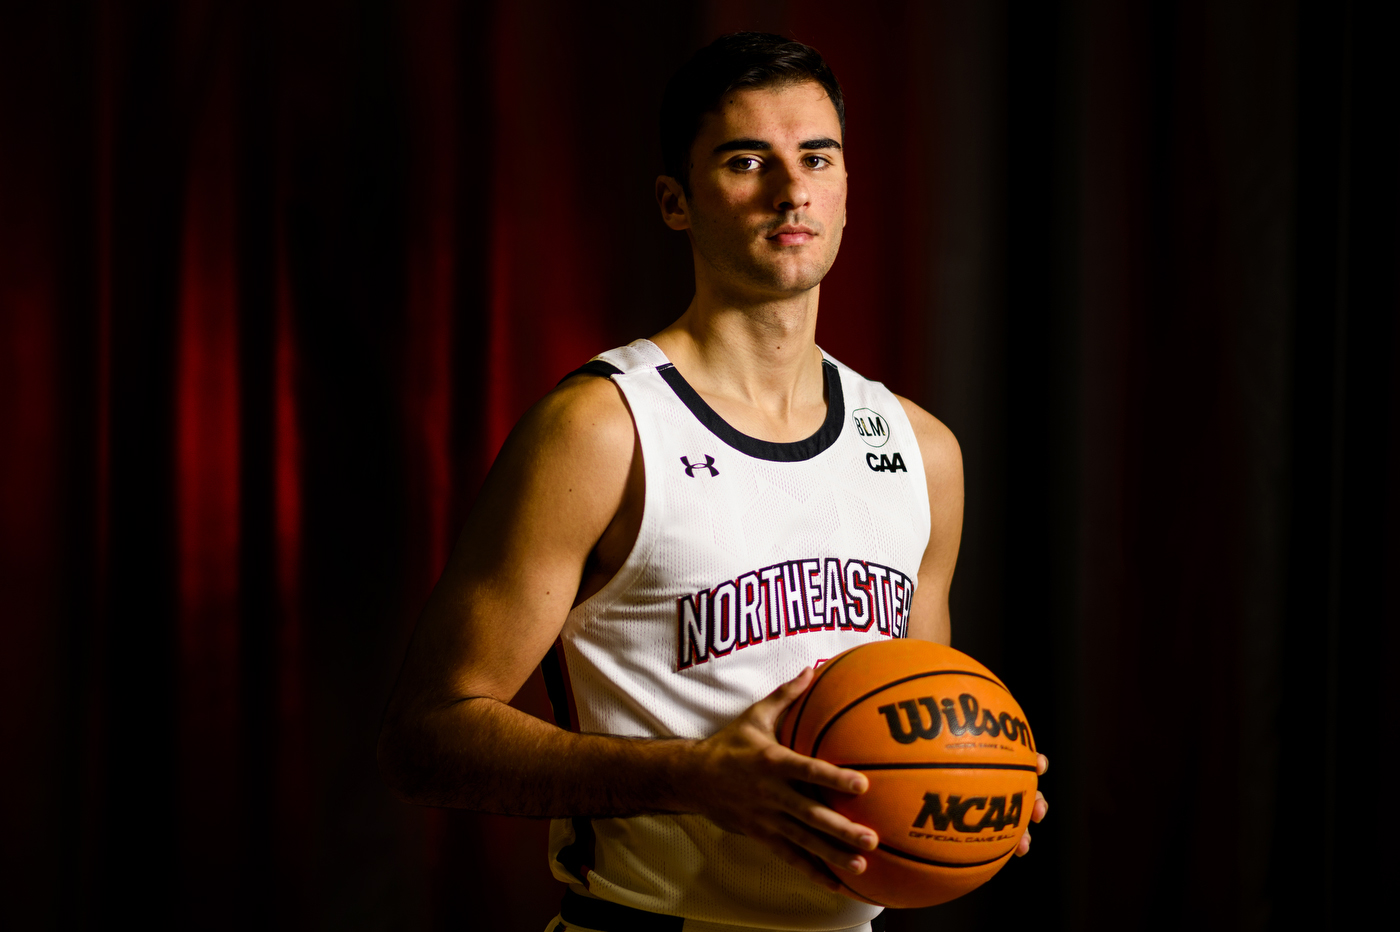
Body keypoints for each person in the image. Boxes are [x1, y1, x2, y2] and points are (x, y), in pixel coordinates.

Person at [378, 32, 1047, 932]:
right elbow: (429, 736)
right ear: (676, 202)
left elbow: (914, 728)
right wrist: (694, 777)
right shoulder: (601, 429)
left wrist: (971, 789)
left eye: (818, 156)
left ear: (848, 190)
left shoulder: (924, 451)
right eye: (746, 160)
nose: (791, 189)